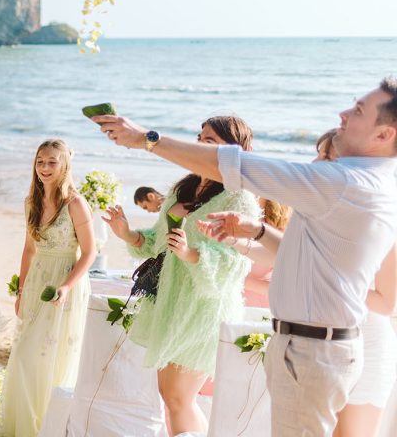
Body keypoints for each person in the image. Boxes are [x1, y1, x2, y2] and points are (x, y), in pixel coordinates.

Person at [92, 80, 397, 435]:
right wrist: (257, 232)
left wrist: (146, 138)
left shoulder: (343, 182)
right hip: (311, 344)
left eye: (358, 110)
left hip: (315, 347)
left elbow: (238, 167)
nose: (343, 113)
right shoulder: (368, 183)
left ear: (384, 134)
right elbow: (304, 254)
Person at [198, 129, 396, 437]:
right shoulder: (320, 213)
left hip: (364, 343)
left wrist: (337, 282)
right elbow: (292, 257)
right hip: (316, 345)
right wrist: (248, 235)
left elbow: (385, 302)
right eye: (317, 153)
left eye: (327, 156)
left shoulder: (380, 215)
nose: (316, 162)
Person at [102, 116, 260, 435]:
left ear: (233, 151)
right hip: (170, 302)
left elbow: (238, 261)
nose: (200, 145)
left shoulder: (239, 197)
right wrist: (129, 234)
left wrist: (192, 255)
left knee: (178, 396)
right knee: (169, 394)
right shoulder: (183, 188)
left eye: (210, 141)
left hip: (203, 307)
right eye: (199, 138)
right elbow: (160, 241)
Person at [1, 139, 95, 436]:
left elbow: (90, 252)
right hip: (38, 280)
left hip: (66, 281)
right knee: (26, 355)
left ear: (65, 163)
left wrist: (66, 286)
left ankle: (48, 427)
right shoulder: (31, 203)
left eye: (52, 161)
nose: (44, 167)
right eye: (40, 161)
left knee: (54, 358)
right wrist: (21, 291)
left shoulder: (75, 204)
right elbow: (29, 250)